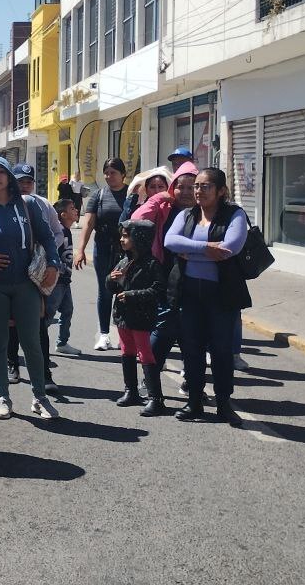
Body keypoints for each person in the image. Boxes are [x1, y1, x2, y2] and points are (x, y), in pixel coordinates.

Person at [0, 156, 62, 420]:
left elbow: (47, 237)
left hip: (26, 284)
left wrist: (54, 264)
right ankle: (3, 397)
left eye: (1, 172)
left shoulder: (28, 204)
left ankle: (39, 397)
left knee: (32, 342)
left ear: (9, 176)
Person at [163, 167, 250, 426]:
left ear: (221, 191)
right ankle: (194, 402)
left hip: (221, 293)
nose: (198, 191)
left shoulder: (235, 215)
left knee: (222, 350)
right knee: (191, 348)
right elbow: (170, 241)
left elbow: (229, 248)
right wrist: (205, 248)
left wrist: (189, 251)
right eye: (196, 186)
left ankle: (224, 403)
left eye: (205, 186)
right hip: (189, 290)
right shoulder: (187, 214)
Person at [133, 161, 199, 378]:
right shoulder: (165, 208)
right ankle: (150, 380)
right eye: (180, 186)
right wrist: (159, 197)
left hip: (199, 281)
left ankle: (191, 381)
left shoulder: (205, 211)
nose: (186, 192)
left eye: (192, 186)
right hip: (168, 279)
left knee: (193, 336)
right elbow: (137, 220)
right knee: (162, 331)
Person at [11, 163, 68, 390]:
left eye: (28, 181)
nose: (24, 186)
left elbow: (58, 232)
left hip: (37, 272)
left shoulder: (43, 204)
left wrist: (43, 252)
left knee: (39, 323)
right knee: (11, 322)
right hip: (12, 271)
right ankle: (12, 364)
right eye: (20, 181)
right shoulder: (5, 204)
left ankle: (45, 374)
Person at [105, 219, 167, 416]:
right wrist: (110, 279)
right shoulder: (124, 260)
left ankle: (155, 398)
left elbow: (157, 290)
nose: (122, 239)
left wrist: (132, 295)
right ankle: (130, 391)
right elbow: (112, 286)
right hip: (123, 317)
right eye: (122, 235)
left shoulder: (151, 264)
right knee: (127, 352)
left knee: (145, 355)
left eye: (126, 235)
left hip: (141, 317)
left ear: (139, 238)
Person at [74, 157, 128, 351]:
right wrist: (80, 250)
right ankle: (104, 335)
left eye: (113, 172)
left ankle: (124, 335)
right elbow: (88, 224)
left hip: (126, 253)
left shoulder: (131, 194)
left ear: (123, 174)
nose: (109, 176)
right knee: (105, 292)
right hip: (103, 249)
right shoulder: (99, 195)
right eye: (106, 172)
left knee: (125, 293)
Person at [46, 199, 79, 357]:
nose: (76, 210)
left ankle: (62, 342)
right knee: (48, 313)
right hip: (56, 281)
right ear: (62, 214)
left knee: (67, 310)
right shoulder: (59, 230)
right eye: (72, 209)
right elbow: (50, 252)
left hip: (65, 281)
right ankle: (37, 342)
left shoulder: (67, 230)